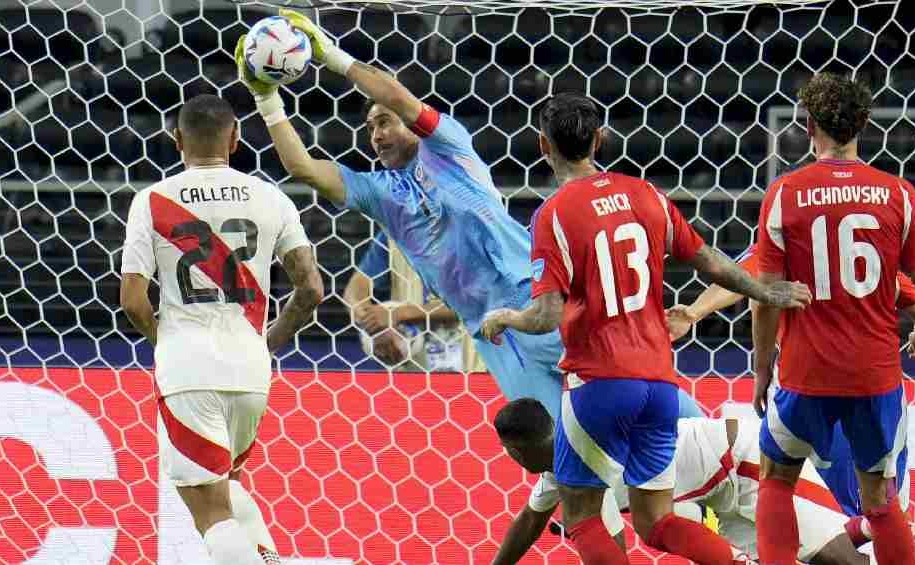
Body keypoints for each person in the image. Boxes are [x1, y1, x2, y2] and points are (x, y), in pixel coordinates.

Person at [233, 9, 704, 421]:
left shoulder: (448, 147)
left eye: (383, 121)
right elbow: (301, 167)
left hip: (541, 301)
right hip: (491, 335)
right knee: (554, 446)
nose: (375, 134)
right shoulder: (378, 192)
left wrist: (331, 56)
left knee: (641, 399)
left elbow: (397, 95)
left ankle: (721, 449)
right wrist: (265, 97)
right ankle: (597, 516)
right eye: (369, 127)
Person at [480, 92, 811, 565]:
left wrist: (505, 318)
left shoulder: (552, 215)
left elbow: (546, 315)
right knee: (656, 521)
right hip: (659, 384)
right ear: (600, 139)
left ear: (541, 145)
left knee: (582, 516)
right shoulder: (646, 194)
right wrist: (766, 292)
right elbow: (708, 260)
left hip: (599, 383)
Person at [748, 73, 915, 565]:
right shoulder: (898, 194)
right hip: (875, 376)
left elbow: (764, 298)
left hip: (806, 373)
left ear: (807, 127)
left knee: (776, 480)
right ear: (865, 124)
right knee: (881, 502)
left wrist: (762, 372)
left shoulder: (784, 193)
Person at [119, 94, 324, 565]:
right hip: (250, 368)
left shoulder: (152, 200)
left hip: (188, 367)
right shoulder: (271, 197)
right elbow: (311, 288)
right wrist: (267, 340)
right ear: (235, 139)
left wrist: (165, 340)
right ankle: (269, 559)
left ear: (176, 140)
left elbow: (132, 300)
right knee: (227, 489)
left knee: (209, 513)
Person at [667, 245, 915, 562]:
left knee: (820, 531)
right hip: (875, 395)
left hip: (809, 398)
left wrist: (696, 311)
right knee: (878, 515)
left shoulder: (791, 236)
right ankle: (883, 533)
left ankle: (875, 533)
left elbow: (743, 276)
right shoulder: (864, 244)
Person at [491, 397, 915, 565]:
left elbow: (612, 553)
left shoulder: (584, 470)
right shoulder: (558, 472)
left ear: (515, 449)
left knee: (840, 563)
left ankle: (874, 529)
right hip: (717, 500)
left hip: (744, 461)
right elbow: (528, 522)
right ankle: (865, 528)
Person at [344, 230, 465, 370]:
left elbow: (480, 303)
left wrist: (401, 314)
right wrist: (374, 324)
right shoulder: (392, 233)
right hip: (411, 365)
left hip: (472, 363)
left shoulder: (471, 231)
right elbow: (357, 285)